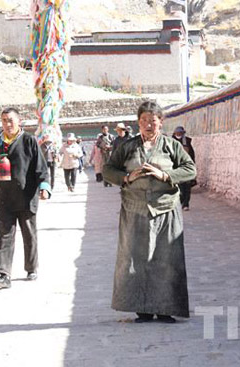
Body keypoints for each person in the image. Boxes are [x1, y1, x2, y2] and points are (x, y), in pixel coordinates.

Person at [103, 101, 197, 323]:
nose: (148, 125)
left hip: (165, 210)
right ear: (138, 122)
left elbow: (190, 169)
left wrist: (165, 175)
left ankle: (165, 309)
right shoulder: (127, 146)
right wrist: (127, 177)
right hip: (134, 210)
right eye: (144, 120)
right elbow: (108, 170)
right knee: (138, 258)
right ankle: (142, 309)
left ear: (161, 123)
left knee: (166, 259)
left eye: (153, 121)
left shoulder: (171, 146)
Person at [0, 107, 51, 289]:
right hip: (4, 196)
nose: (7, 124)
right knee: (5, 234)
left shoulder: (29, 140)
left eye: (10, 120)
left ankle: (31, 267)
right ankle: (4, 274)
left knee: (29, 233)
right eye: (4, 120)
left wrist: (44, 187)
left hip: (26, 195)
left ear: (19, 121)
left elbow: (41, 167)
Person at [172, 126, 196, 211]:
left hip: (186, 167)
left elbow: (192, 156)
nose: (179, 134)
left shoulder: (187, 142)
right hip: (175, 168)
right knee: (179, 187)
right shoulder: (170, 142)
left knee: (187, 187)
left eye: (180, 133)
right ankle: (180, 202)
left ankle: (186, 204)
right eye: (177, 133)